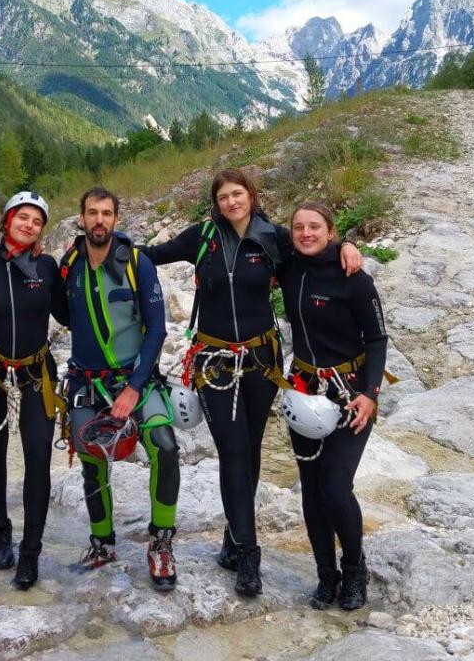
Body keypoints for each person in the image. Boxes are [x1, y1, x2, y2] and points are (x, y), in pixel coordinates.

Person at [141, 168, 361, 597]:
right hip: (214, 361)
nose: (230, 202)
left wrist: (347, 244)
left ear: (250, 195)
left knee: (251, 450)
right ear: (216, 201)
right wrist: (105, 243)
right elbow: (151, 255)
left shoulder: (273, 236)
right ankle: (248, 554)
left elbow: (315, 249)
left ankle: (231, 536)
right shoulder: (201, 237)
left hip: (262, 359)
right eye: (223, 196)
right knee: (233, 451)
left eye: (237, 194)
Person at [60, 187, 179, 590]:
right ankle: (102, 541)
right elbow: (54, 310)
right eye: (92, 212)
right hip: (86, 381)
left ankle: (161, 542)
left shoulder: (137, 264)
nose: (99, 220)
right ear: (81, 218)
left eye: (107, 213)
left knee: (164, 445)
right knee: (91, 459)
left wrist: (133, 388)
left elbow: (157, 327)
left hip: (136, 378)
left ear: (116, 219)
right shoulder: (69, 265)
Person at [277, 201, 387, 611]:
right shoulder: (288, 263)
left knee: (336, 487)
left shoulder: (354, 277)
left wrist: (371, 394)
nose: (306, 234)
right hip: (304, 391)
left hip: (351, 394)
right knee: (311, 489)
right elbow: (246, 224)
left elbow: (377, 340)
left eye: (315, 227)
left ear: (331, 230)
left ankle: (355, 569)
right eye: (299, 227)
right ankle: (326, 576)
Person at [0, 191, 67, 591]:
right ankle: (0, 530)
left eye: (36, 221)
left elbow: (68, 312)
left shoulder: (46, 265)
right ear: (7, 219)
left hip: (36, 372)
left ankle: (31, 552)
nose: (29, 225)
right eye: (22, 218)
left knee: (38, 458)